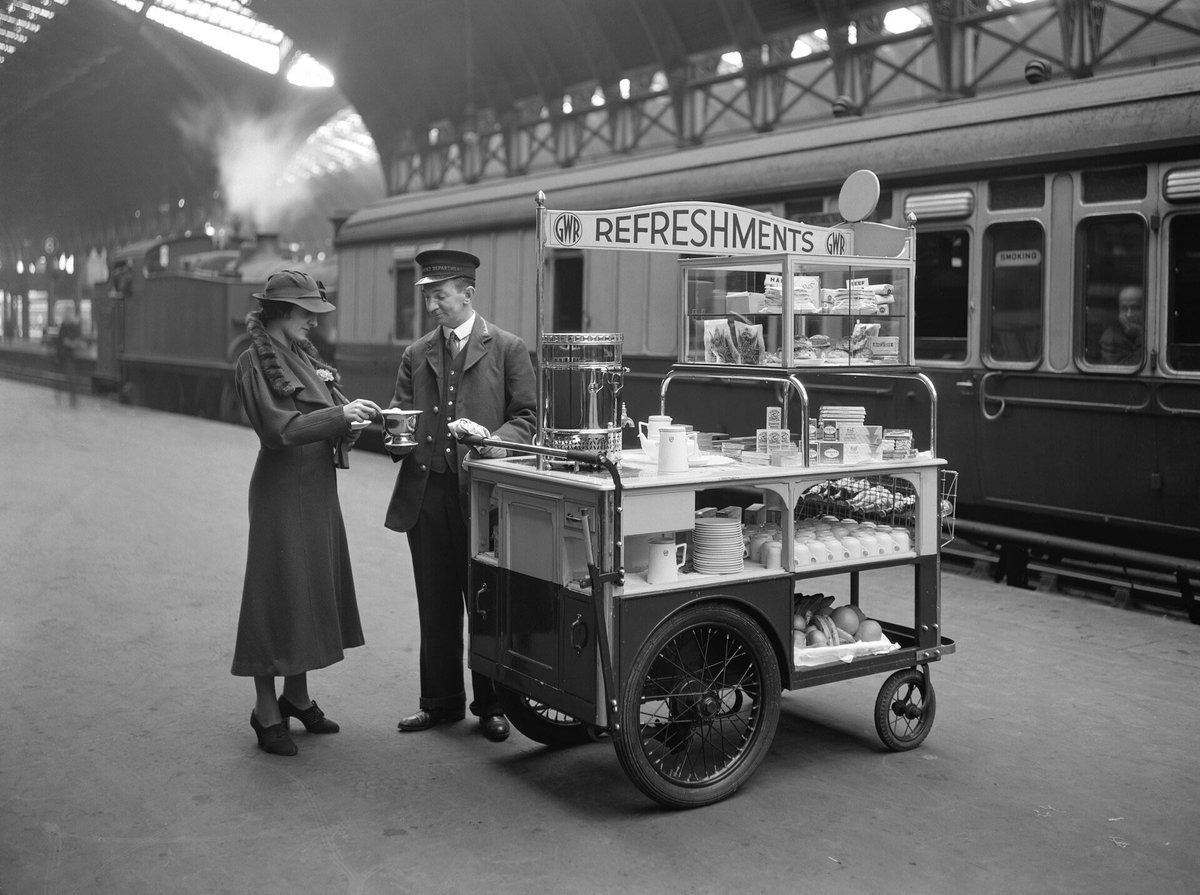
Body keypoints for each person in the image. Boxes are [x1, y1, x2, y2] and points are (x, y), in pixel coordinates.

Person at [384, 249, 537, 743]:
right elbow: (401, 415)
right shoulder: (416, 354)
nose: (431, 306)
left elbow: (529, 421)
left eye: (439, 296)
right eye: (428, 296)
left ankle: (490, 704)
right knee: (435, 600)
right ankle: (440, 702)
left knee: (485, 601)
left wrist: (490, 441)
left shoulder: (509, 348)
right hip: (427, 493)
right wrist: (392, 430)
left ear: (468, 295)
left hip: (482, 495)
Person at [231, 269, 382, 756]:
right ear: (280, 312)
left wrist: (351, 417)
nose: (313, 323)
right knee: (274, 591)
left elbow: (320, 419)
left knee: (305, 588)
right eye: (306, 314)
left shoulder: (298, 355)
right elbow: (279, 430)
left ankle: (295, 695)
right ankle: (264, 708)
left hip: (315, 488)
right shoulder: (254, 362)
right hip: (281, 491)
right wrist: (339, 415)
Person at [1099, 284, 1145, 364]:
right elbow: (1128, 369)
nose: (1129, 314)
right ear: (1119, 312)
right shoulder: (1111, 338)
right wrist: (1141, 335)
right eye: (1124, 308)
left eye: (1135, 308)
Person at [54, 305, 85, 407]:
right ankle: (69, 399)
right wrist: (74, 343)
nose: (67, 315)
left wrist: (76, 343)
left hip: (69, 356)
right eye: (66, 313)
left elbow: (76, 339)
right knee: (69, 378)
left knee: (71, 378)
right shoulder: (65, 325)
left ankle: (72, 400)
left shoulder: (72, 325)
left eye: (69, 313)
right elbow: (64, 341)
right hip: (64, 356)